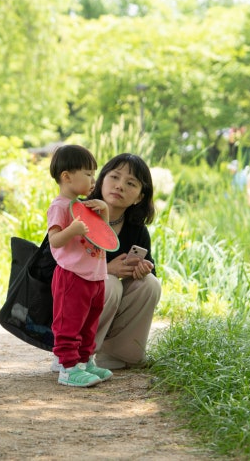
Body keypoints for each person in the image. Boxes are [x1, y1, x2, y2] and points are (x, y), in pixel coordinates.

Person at [46, 144, 114, 387]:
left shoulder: (83, 205)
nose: (93, 180)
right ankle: (67, 367)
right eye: (87, 174)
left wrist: (104, 212)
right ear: (66, 176)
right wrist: (71, 230)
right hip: (72, 275)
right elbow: (54, 240)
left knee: (89, 323)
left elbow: (101, 237)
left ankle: (85, 362)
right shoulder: (59, 206)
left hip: (94, 275)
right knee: (70, 323)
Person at [86, 152, 160, 370]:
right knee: (108, 282)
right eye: (114, 177)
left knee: (150, 285)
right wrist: (106, 269)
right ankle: (76, 353)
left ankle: (117, 355)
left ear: (139, 196)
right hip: (66, 303)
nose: (119, 186)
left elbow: (149, 275)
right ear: (101, 180)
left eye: (131, 183)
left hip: (108, 298)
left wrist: (143, 269)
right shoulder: (79, 211)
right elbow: (53, 266)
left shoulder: (136, 229)